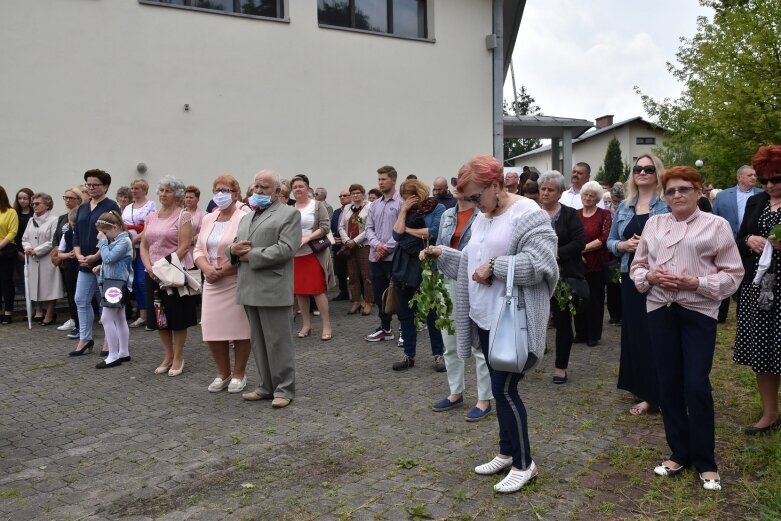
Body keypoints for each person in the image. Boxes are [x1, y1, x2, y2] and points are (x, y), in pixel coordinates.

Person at [425, 155, 558, 493]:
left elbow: (542, 265)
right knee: (501, 391)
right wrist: (445, 254)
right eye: (464, 198)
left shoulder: (529, 214)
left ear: (495, 185)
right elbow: (472, 261)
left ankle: (525, 463)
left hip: (514, 320)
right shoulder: (485, 215)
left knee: (505, 390)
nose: (470, 205)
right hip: (486, 317)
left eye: (473, 197)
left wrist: (496, 266)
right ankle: (506, 452)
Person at [631, 165, 743, 491]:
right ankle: (679, 452)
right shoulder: (655, 223)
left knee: (695, 384)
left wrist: (697, 281)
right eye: (671, 191)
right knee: (668, 383)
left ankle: (706, 461)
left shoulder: (716, 226)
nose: (677, 195)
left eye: (684, 189)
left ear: (698, 191)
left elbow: (733, 274)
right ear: (664, 196)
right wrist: (649, 277)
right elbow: (639, 266)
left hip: (698, 311)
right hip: (660, 310)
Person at [229, 170, 301, 409]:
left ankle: (284, 389)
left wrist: (250, 255)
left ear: (278, 191)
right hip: (249, 286)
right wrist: (233, 251)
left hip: (273, 286)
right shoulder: (246, 217)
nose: (258, 191)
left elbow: (286, 249)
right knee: (258, 341)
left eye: (265, 187)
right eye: (256, 186)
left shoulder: (289, 214)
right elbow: (236, 245)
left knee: (278, 342)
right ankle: (265, 386)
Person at [607, 154, 669, 415]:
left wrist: (646, 244)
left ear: (657, 173)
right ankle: (643, 389)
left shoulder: (665, 204)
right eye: (637, 169)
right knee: (635, 333)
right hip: (630, 275)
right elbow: (611, 242)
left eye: (648, 168)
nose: (642, 172)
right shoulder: (624, 206)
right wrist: (624, 245)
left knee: (658, 333)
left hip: (658, 277)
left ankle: (659, 393)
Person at [430, 171, 493, 420]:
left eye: (462, 185)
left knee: (477, 342)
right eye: (456, 184)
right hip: (448, 281)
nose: (457, 188)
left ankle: (484, 399)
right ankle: (455, 392)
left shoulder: (483, 215)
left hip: (475, 282)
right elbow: (441, 244)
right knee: (450, 340)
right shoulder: (446, 215)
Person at [733, 144, 781, 435]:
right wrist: (749, 239)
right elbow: (738, 239)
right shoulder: (757, 202)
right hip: (760, 286)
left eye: (776, 179)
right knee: (764, 349)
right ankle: (770, 413)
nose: (770, 185)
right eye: (764, 180)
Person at [193, 175, 252, 393]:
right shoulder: (209, 217)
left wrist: (223, 269)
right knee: (211, 328)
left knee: (240, 330)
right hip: (211, 281)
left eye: (225, 190)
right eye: (217, 189)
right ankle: (223, 372)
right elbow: (198, 248)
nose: (220, 194)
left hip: (235, 278)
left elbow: (246, 247)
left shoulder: (245, 216)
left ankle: (239, 373)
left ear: (236, 194)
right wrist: (206, 269)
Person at [140, 175, 196, 376]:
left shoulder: (183, 216)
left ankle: (179, 356)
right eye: (162, 190)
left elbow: (184, 246)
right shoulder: (152, 216)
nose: (163, 194)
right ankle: (167, 355)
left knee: (177, 316)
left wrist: (162, 266)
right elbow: (144, 245)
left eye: (168, 191)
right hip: (152, 273)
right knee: (159, 314)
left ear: (177, 194)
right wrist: (149, 267)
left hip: (173, 273)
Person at [389, 179, 446, 371]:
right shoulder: (406, 210)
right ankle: (408, 355)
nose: (406, 201)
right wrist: (404, 211)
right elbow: (396, 235)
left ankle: (439, 355)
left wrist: (407, 229)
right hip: (405, 267)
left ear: (419, 194)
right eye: (404, 198)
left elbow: (432, 233)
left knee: (432, 313)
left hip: (427, 265)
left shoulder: (436, 208)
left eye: (408, 197)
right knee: (406, 314)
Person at [538, 171, 586, 383]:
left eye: (551, 190)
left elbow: (579, 242)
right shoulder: (531, 213)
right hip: (536, 275)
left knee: (563, 321)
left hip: (563, 276)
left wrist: (557, 255)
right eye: (543, 189)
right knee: (532, 320)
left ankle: (560, 367)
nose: (545, 193)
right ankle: (525, 361)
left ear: (559, 193)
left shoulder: (569, 214)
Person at [70, 170, 121, 356]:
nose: (91, 188)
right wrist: (78, 254)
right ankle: (85, 338)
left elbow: (114, 235)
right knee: (80, 299)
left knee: (107, 303)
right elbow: (76, 234)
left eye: (95, 185)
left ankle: (110, 340)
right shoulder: (83, 208)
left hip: (105, 264)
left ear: (105, 186)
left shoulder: (111, 206)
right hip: (84, 263)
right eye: (88, 184)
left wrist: (96, 255)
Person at [712, 165, 762, 322]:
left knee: (746, 278)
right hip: (726, 243)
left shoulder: (763, 195)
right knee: (724, 276)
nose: (753, 177)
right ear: (739, 177)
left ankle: (746, 312)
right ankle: (721, 314)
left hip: (751, 246)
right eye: (749, 175)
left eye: (755, 175)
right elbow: (714, 218)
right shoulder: (723, 196)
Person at [291, 175, 334, 340]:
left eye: (301, 186)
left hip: (313, 254)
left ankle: (326, 326)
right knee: (300, 291)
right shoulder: (290, 208)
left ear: (308, 188)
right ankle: (306, 325)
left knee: (318, 290)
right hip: (296, 255)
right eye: (295, 187)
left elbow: (325, 227)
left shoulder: (316, 206)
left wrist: (308, 238)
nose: (298, 189)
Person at [364, 166, 402, 342]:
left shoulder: (401, 203)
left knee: (398, 293)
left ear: (393, 180)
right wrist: (376, 244)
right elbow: (368, 228)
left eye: (384, 179)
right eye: (379, 179)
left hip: (394, 258)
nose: (380, 182)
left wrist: (387, 247)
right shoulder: (374, 205)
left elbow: (402, 230)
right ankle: (385, 328)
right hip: (376, 257)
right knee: (379, 293)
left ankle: (405, 328)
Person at [93, 211, 134, 369]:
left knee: (106, 318)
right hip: (115, 282)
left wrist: (102, 243)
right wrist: (101, 268)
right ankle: (123, 352)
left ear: (116, 227)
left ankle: (113, 354)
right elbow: (111, 262)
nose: (103, 235)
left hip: (117, 284)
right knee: (119, 318)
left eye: (105, 232)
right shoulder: (118, 240)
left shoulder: (123, 242)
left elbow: (109, 258)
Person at [574, 181, 612, 347]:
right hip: (577, 265)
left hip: (597, 263)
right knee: (577, 298)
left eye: (591, 196)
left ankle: (593, 335)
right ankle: (580, 333)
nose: (587, 198)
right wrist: (576, 253)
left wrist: (581, 249)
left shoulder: (604, 215)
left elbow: (604, 238)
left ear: (597, 198)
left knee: (595, 299)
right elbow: (569, 237)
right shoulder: (575, 214)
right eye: (585, 195)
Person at [22, 193, 65, 325]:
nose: (34, 206)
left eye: (37, 203)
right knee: (39, 288)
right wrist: (28, 248)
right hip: (33, 261)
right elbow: (25, 238)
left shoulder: (54, 220)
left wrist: (37, 251)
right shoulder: (31, 220)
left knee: (49, 288)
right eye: (33, 203)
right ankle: (46, 312)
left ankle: (50, 313)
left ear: (47, 205)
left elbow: (53, 240)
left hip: (48, 259)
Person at [122, 179, 157, 328]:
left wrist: (136, 238)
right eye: (132, 188)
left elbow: (150, 226)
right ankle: (142, 315)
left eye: (137, 188)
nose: (134, 190)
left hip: (143, 246)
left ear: (144, 190)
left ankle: (151, 315)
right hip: (129, 248)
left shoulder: (151, 206)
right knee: (134, 281)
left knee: (143, 282)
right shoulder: (128, 207)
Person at [52, 187, 86, 336]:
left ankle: (84, 323)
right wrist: (63, 254)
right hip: (67, 260)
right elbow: (57, 238)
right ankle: (74, 320)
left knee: (82, 294)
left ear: (79, 200)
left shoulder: (84, 215)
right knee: (71, 292)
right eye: (65, 197)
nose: (67, 201)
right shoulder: (62, 218)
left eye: (71, 198)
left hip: (82, 259)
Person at [338, 184, 373, 315]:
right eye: (353, 193)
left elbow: (369, 227)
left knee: (366, 275)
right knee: (352, 276)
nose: (355, 195)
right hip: (349, 246)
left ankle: (368, 302)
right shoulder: (347, 208)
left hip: (364, 245)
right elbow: (341, 227)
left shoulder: (370, 207)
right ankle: (356, 301)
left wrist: (355, 241)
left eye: (358, 193)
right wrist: (347, 240)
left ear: (363, 194)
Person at [605, 183, 625, 325]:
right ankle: (614, 315)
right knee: (611, 283)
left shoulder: (626, 207)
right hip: (611, 250)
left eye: (619, 200)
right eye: (614, 200)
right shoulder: (607, 210)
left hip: (624, 248)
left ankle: (622, 313)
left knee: (622, 284)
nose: (616, 203)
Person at [0, 185, 18, 325]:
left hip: (6, 250)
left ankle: (8, 312)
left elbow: (12, 232)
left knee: (6, 281)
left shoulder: (10, 212)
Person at [330, 188, 351, 302]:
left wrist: (344, 240)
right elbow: (332, 227)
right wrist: (334, 239)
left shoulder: (354, 210)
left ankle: (360, 295)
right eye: (340, 196)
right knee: (340, 271)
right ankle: (343, 292)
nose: (342, 198)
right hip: (337, 245)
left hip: (350, 244)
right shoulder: (336, 212)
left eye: (345, 195)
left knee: (353, 271)